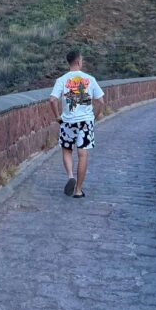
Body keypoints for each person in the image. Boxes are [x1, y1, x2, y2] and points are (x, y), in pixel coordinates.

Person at [49, 49, 104, 198]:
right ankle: (78, 190)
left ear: (69, 62)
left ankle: (70, 176)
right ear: (79, 61)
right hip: (85, 122)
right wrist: (94, 117)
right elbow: (100, 101)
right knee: (82, 155)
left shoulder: (61, 80)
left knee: (67, 150)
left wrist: (57, 116)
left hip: (67, 121)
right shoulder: (90, 79)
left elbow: (52, 100)